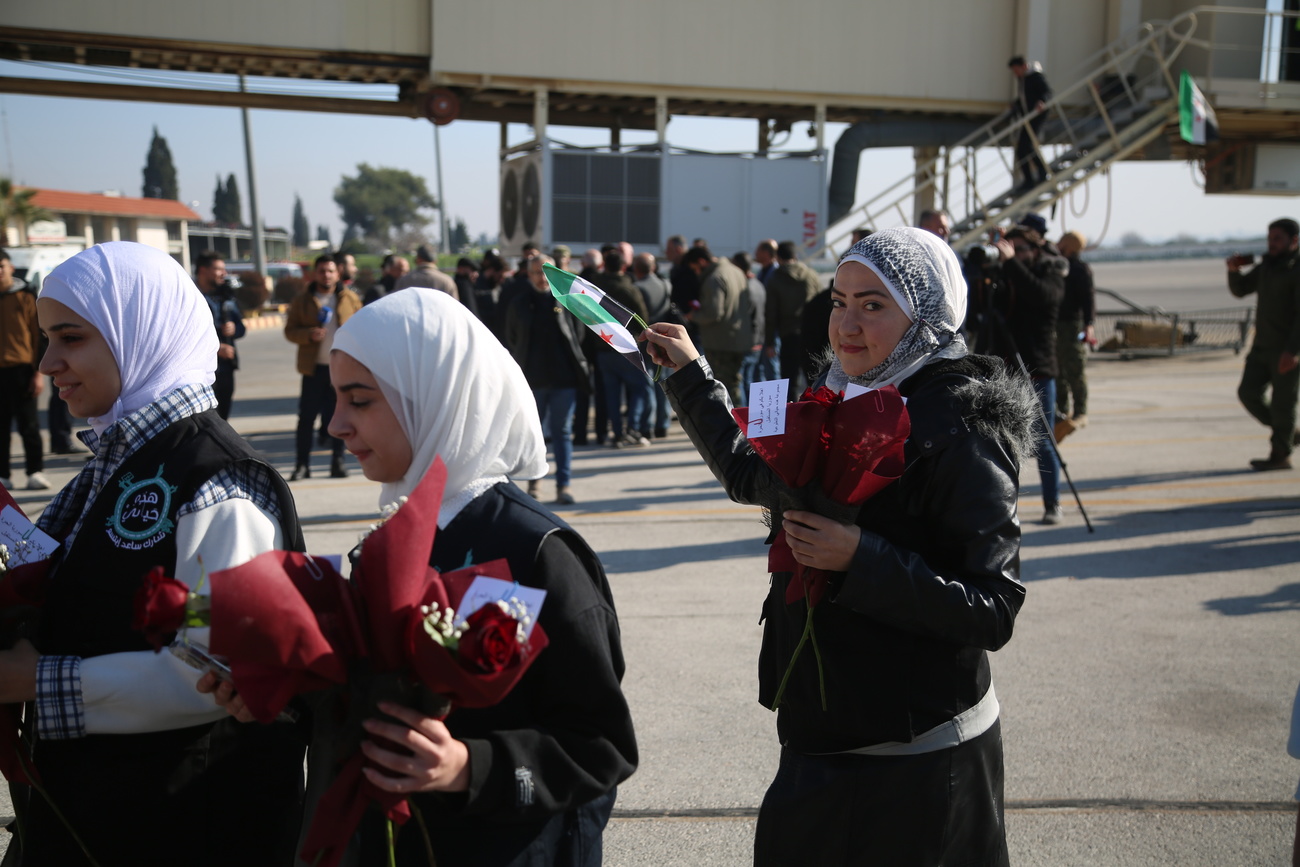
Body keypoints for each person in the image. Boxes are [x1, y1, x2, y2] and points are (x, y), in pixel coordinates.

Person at [645, 227, 1032, 866]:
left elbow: (992, 607)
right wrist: (691, 375)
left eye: (874, 305)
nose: (846, 325)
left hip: (919, 757)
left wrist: (862, 558)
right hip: (817, 737)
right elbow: (753, 476)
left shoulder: (963, 425)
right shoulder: (833, 394)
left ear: (926, 314)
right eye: (838, 300)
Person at [302, 286, 633, 865]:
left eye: (360, 401)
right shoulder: (386, 547)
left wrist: (467, 767)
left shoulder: (535, 551)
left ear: (434, 398)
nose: (336, 425)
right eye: (336, 400)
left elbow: (600, 748)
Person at [9, 241, 305, 866]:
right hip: (104, 813)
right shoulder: (111, 464)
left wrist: (36, 679)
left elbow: (215, 670)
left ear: (139, 332)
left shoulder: (218, 481)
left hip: (183, 826)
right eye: (47, 337)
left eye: (71, 337)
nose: (48, 360)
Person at [993, 225, 1066, 524]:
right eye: (1012, 248)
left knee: (1043, 440)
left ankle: (1053, 503)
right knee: (1001, 441)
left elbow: (1042, 297)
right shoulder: (1005, 275)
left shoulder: (1051, 273)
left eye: (1022, 249)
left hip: (1038, 367)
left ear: (1035, 251)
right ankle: (1001, 506)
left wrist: (1010, 264)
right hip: (1006, 366)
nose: (1016, 254)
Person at [506, 255, 589, 504]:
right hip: (532, 380)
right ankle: (535, 483)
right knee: (534, 435)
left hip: (564, 379)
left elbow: (579, 335)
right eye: (535, 273)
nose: (541, 279)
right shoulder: (520, 303)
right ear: (528, 275)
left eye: (545, 273)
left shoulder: (567, 301)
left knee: (562, 432)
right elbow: (512, 337)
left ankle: (564, 485)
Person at [1227, 217, 1300, 471]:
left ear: (1294, 241)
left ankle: (1280, 455)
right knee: (1248, 393)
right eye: (1269, 239)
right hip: (1261, 347)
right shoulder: (1268, 266)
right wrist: (1233, 270)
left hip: (1287, 349)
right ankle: (1288, 433)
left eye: (1277, 239)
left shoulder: (1296, 269)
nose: (1272, 244)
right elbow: (1241, 290)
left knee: (1283, 403)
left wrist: (1293, 351)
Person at [284, 254, 361, 480]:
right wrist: (308, 335)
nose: (326, 275)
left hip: (341, 369)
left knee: (340, 417)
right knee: (306, 419)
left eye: (330, 271)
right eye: (322, 271)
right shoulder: (302, 300)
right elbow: (290, 331)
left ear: (338, 273)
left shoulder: (350, 299)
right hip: (313, 369)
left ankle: (337, 462)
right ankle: (302, 465)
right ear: (314, 274)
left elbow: (363, 327)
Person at [0, 247, 49, 490]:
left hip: (23, 370)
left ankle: (35, 472)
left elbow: (38, 337)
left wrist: (38, 373)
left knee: (28, 424)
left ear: (10, 267)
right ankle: (3, 475)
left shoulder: (26, 295)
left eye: (2, 266)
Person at [685, 246, 750, 407]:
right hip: (738, 337)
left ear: (701, 262)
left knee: (725, 387)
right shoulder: (735, 271)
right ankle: (743, 423)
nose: (696, 273)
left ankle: (736, 426)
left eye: (696, 269)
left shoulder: (714, 278)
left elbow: (714, 313)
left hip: (720, 342)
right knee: (735, 383)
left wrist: (693, 316)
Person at [764, 240, 823, 401]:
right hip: (812, 333)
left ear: (778, 257)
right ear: (795, 255)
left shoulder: (775, 279)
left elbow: (771, 312)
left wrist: (769, 342)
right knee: (815, 380)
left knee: (789, 381)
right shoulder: (811, 275)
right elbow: (820, 305)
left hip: (788, 334)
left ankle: (790, 418)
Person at [194, 250, 246, 420]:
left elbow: (241, 328)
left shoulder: (226, 297)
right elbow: (186, 335)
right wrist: (216, 347)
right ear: (203, 270)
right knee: (207, 419)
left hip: (226, 367)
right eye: (218, 269)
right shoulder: (190, 297)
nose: (224, 273)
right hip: (200, 370)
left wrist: (234, 328)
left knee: (223, 417)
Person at [1055, 230, 1096, 433]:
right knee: (1058, 371)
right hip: (1055, 325)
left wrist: (1089, 324)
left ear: (1069, 246)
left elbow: (1088, 301)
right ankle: (1062, 411)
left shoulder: (1080, 270)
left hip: (1072, 326)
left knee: (1075, 370)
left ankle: (1080, 410)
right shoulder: (1056, 265)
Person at [1009, 56, 1052, 191]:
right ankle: (1030, 178)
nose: (1015, 73)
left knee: (1026, 146)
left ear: (1023, 67)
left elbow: (1046, 92)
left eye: (1016, 70)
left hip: (1036, 115)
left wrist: (1042, 101)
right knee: (1022, 148)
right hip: (1029, 117)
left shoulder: (1035, 77)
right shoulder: (1023, 80)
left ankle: (1041, 172)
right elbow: (1025, 97)